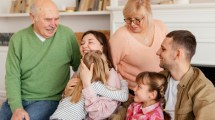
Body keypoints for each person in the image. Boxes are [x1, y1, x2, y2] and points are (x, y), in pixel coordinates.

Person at [0, 0, 81, 119]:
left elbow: (80, 66)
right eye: (48, 19)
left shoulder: (67, 35)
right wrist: (17, 107)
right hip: (20, 98)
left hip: (48, 100)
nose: (53, 24)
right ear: (33, 18)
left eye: (56, 19)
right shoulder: (18, 39)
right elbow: (12, 76)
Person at [109, 0, 168, 93]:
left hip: (160, 88)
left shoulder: (160, 26)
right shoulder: (120, 36)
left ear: (148, 15)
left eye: (137, 19)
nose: (132, 24)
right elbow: (108, 66)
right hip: (134, 91)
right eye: (128, 19)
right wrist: (121, 88)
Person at [50, 50, 128, 120]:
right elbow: (123, 96)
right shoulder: (96, 86)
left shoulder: (77, 82)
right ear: (103, 69)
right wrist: (123, 81)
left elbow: (65, 104)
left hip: (55, 117)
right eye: (106, 64)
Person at [156, 30, 215, 119]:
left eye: (163, 49)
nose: (157, 52)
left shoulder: (203, 88)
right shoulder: (160, 77)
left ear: (178, 54)